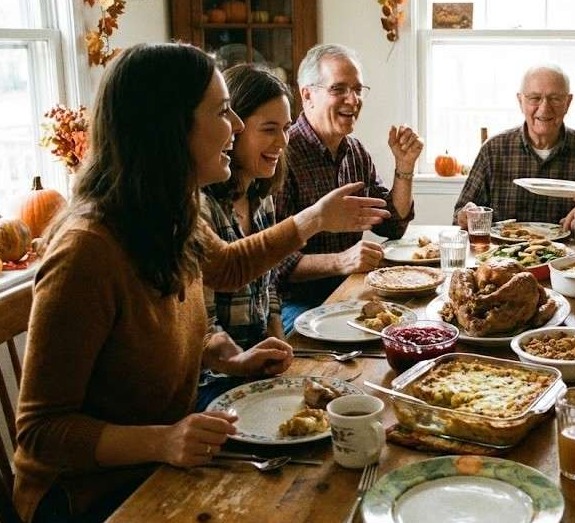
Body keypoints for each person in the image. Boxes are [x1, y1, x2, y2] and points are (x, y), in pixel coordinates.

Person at [13, 43, 390, 522]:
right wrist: (163, 439)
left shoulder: (172, 212)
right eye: (223, 111)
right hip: (89, 495)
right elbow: (41, 432)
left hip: (164, 457)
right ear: (170, 129)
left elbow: (226, 270)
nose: (235, 126)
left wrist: (224, 354)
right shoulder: (86, 250)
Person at [274, 43, 423, 334]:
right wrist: (341, 261)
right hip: (297, 303)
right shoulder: (282, 155)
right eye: (339, 89)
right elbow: (275, 262)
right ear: (307, 95)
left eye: (357, 89)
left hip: (351, 291)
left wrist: (404, 167)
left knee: (413, 325)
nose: (352, 100)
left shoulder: (355, 151)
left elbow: (392, 225)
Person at [195, 63, 291, 411]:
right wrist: (246, 363)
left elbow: (270, 288)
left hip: (254, 366)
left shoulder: (261, 199)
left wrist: (278, 343)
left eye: (286, 129)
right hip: (214, 381)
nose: (281, 142)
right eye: (269, 129)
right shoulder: (201, 207)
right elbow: (204, 329)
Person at [452, 64, 575, 228]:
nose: (544, 109)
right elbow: (459, 217)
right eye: (535, 98)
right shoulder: (493, 150)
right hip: (501, 252)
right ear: (520, 101)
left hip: (571, 253)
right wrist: (467, 214)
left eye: (555, 99)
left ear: (568, 102)